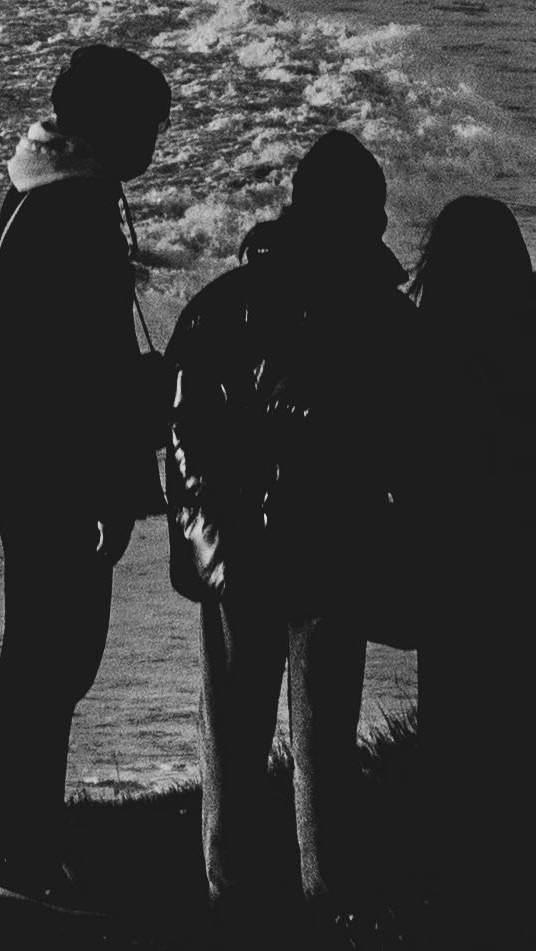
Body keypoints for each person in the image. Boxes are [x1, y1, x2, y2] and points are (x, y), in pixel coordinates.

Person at [163, 126, 412, 907]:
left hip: (237, 553)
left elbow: (180, 436)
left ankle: (230, 893)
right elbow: (404, 437)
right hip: (335, 548)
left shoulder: (221, 307)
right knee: (323, 740)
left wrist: (204, 532)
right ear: (364, 216)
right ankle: (327, 894)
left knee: (232, 737)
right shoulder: (381, 315)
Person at [0, 36, 171, 903]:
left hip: (25, 459)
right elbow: (87, 370)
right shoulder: (77, 211)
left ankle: (26, 842)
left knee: (41, 663)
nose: (156, 145)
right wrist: (111, 489)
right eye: (150, 127)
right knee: (55, 663)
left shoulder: (35, 188)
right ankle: (26, 854)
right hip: (59, 469)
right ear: (109, 125)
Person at [406, 192, 536, 886]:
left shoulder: (429, 338)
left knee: (453, 717)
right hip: (535, 545)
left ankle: (458, 866)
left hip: (454, 555)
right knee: (531, 711)